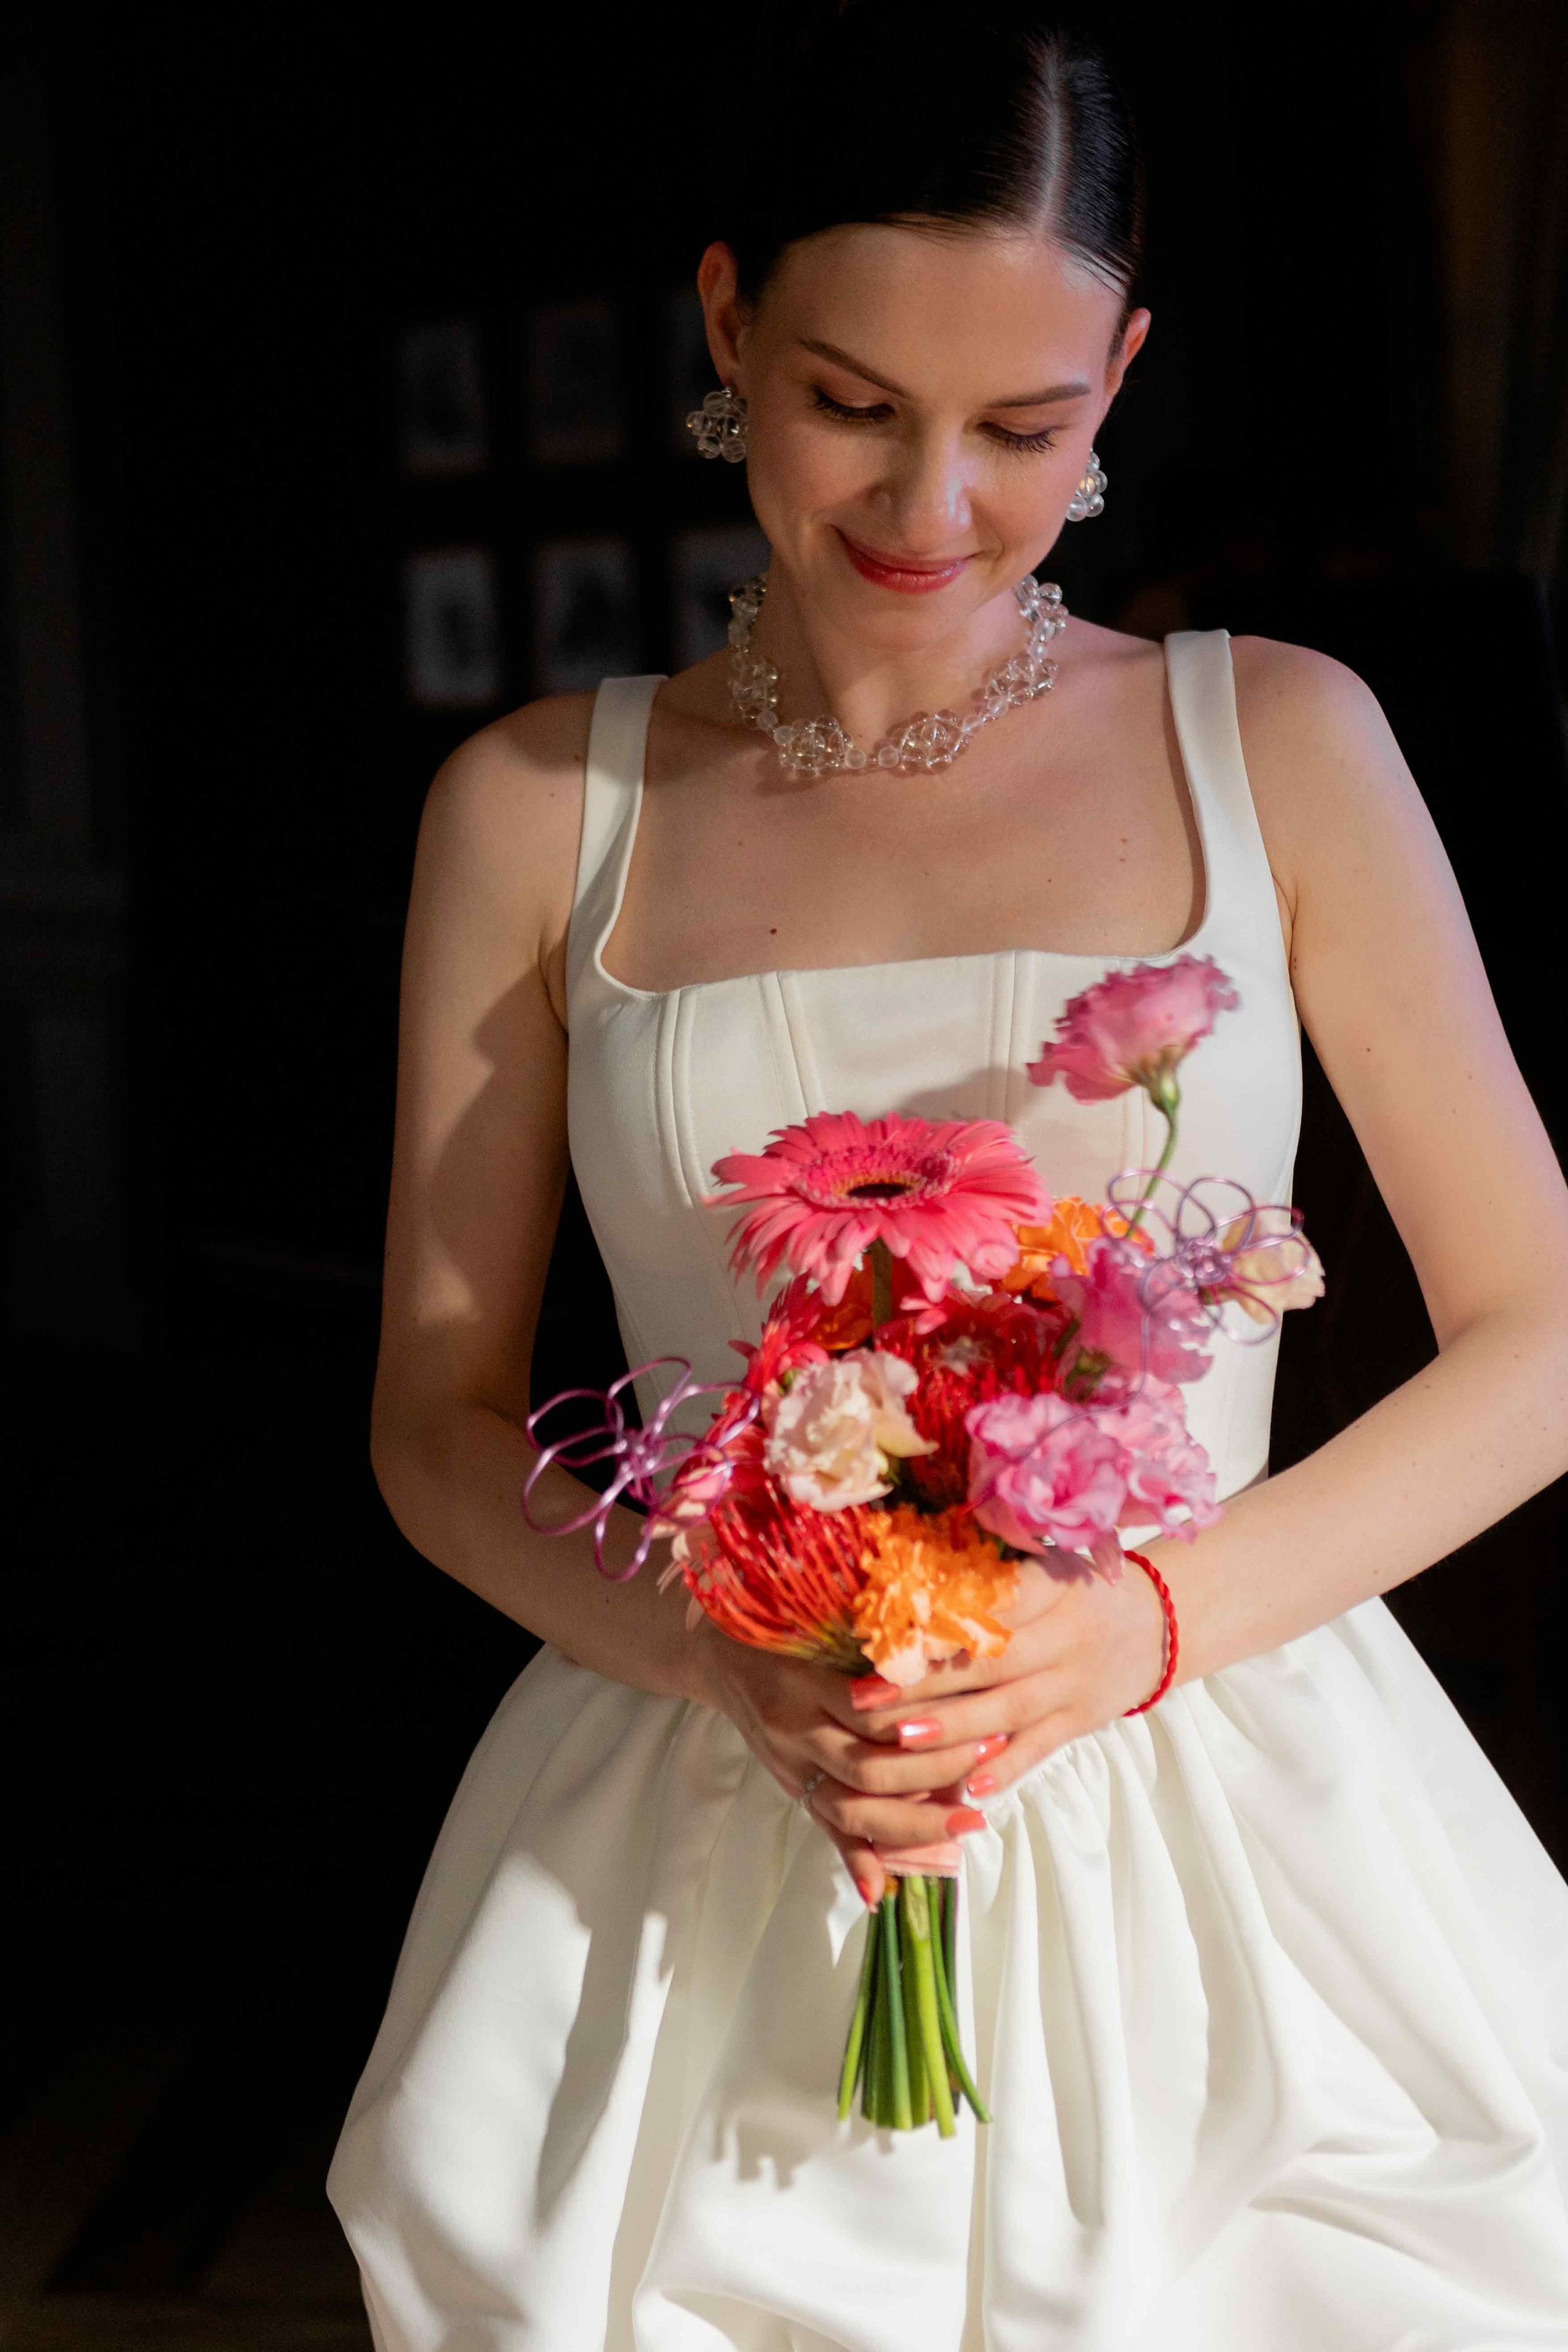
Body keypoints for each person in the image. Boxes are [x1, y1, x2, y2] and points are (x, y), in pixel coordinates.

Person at [327, 6, 1568, 2343]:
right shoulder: (529, 807)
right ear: (726, 324)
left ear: (1121, 369)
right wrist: (724, 1661)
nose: (927, 513)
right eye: (848, 406)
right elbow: (433, 1412)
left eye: (1021, 427)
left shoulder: (1281, 741)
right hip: (712, 1786)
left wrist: (1147, 1630)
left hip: (1231, 1793)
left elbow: (1547, 1336)